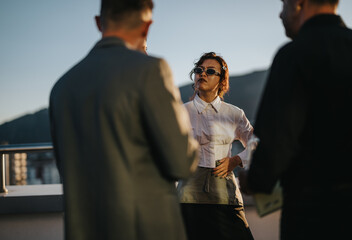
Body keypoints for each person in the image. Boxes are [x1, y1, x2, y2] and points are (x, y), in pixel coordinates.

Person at [49, 0, 199, 239]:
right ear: (146, 27)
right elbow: (182, 162)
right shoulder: (151, 70)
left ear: (98, 23)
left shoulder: (62, 87)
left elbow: (66, 165)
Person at [239, 0, 352, 239]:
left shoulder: (293, 56)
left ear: (298, 4)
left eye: (283, 4)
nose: (280, 14)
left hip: (314, 213)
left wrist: (254, 180)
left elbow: (278, 140)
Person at [177, 52, 254, 240]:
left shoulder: (234, 114)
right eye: (199, 70)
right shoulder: (179, 112)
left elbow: (256, 142)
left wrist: (236, 160)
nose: (202, 74)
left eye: (210, 71)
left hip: (226, 197)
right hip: (188, 199)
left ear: (221, 81)